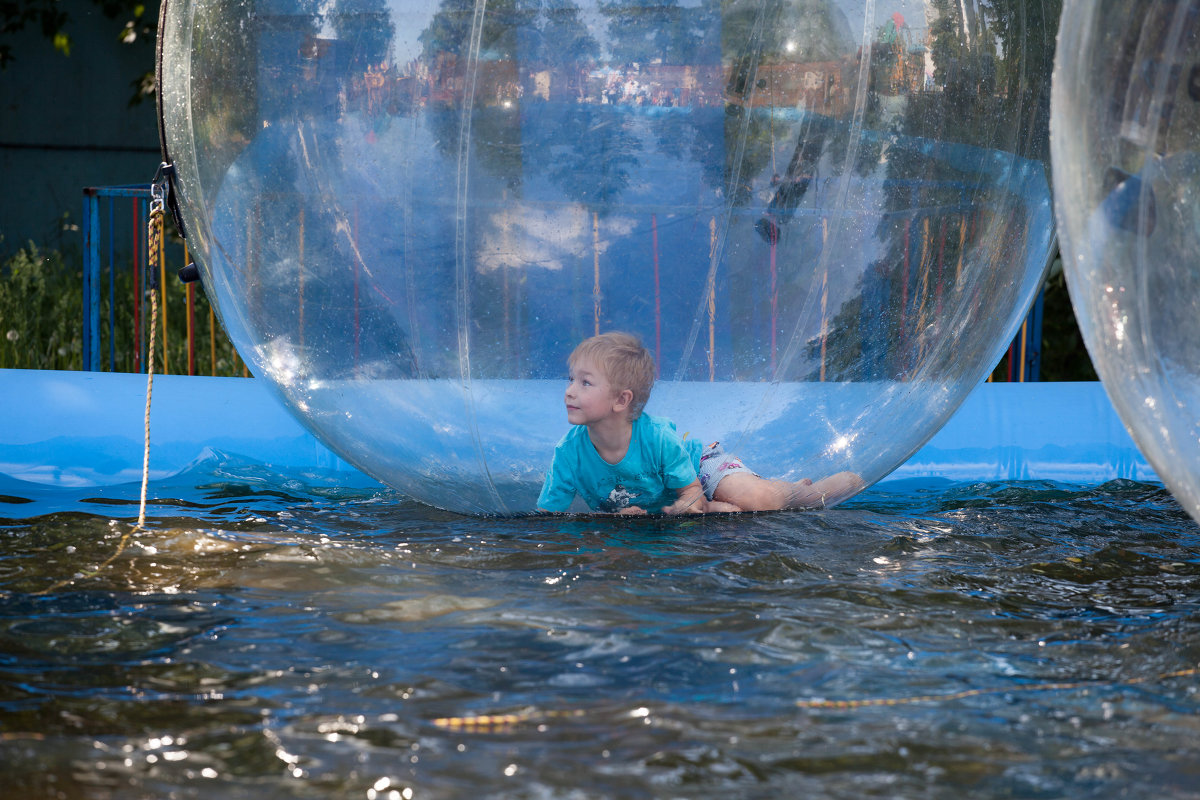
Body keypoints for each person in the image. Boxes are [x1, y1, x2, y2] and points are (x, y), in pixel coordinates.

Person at [536, 332, 864, 515]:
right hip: (662, 499)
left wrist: (687, 506)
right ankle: (718, 509)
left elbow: (691, 492)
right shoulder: (568, 454)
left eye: (585, 383)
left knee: (761, 502)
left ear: (621, 400)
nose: (569, 391)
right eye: (570, 379)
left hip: (699, 466)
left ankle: (803, 491)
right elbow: (549, 521)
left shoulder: (658, 439)